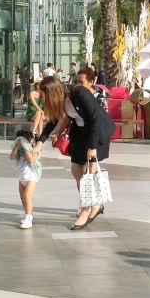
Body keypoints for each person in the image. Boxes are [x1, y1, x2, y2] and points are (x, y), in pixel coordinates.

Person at [54, 66, 115, 230]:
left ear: (92, 81)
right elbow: (68, 116)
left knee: (88, 174)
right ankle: (93, 203)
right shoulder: (73, 96)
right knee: (77, 171)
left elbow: (97, 119)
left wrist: (93, 147)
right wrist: (57, 133)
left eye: (81, 82)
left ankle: (86, 209)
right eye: (77, 81)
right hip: (81, 134)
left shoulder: (97, 97)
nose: (79, 84)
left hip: (96, 134)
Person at [10, 127, 42, 229]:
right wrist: (16, 146)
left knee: (27, 196)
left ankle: (28, 219)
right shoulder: (19, 153)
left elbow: (30, 160)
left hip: (32, 176)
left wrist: (28, 150)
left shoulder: (33, 150)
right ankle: (28, 214)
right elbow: (11, 157)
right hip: (22, 176)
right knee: (23, 197)